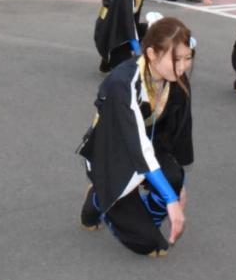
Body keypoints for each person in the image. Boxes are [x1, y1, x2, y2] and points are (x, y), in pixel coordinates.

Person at [77, 16, 194, 257]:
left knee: (174, 177)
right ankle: (98, 198)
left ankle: (141, 218)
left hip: (148, 149)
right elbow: (136, 143)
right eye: (175, 59)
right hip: (112, 154)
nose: (182, 67)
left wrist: (177, 184)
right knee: (147, 244)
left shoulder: (177, 81)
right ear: (151, 54)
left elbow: (179, 132)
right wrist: (171, 200)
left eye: (187, 58)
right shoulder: (123, 81)